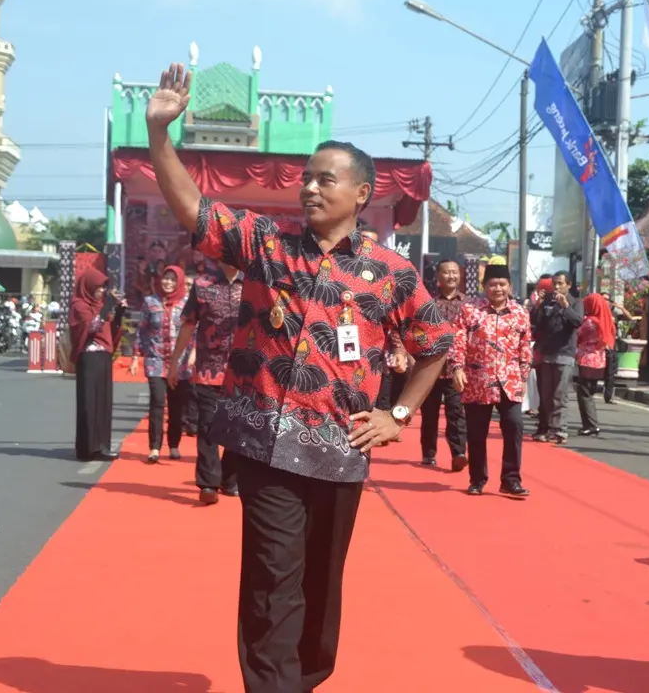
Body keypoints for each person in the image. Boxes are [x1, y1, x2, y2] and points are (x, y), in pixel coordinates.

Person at [146, 63, 453, 692]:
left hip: (342, 453)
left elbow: (436, 344)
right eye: (307, 179)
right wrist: (159, 135)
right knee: (270, 578)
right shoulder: (265, 243)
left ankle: (304, 677)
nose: (310, 189)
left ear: (362, 193)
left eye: (326, 180)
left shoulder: (391, 272)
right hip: (264, 446)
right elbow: (194, 210)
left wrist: (398, 416)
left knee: (320, 583)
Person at [452, 263, 532, 496]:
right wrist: (457, 368)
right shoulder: (469, 310)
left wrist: (524, 376)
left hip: (510, 380)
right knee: (476, 432)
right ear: (484, 286)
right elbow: (458, 341)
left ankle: (511, 479)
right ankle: (477, 479)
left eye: (502, 284)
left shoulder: (520, 312)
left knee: (515, 425)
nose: (498, 288)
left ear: (509, 286)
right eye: (493, 284)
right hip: (477, 380)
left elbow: (525, 346)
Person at [169, 260, 244, 505]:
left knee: (238, 429)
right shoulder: (202, 285)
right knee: (208, 427)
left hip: (243, 373)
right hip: (208, 370)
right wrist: (175, 362)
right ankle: (209, 483)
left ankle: (230, 479)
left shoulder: (254, 284)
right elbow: (189, 324)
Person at [131, 266, 195, 463]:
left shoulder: (187, 303)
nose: (168, 283)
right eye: (165, 278)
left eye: (172, 280)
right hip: (155, 361)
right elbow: (142, 330)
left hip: (180, 364)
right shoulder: (150, 303)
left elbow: (195, 331)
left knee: (176, 407)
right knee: (157, 403)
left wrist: (193, 355)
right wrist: (136, 355)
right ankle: (154, 448)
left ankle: (174, 445)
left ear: (180, 282)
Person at [69, 267, 127, 462]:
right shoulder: (79, 305)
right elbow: (91, 327)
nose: (102, 291)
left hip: (103, 357)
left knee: (103, 402)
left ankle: (102, 446)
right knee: (89, 403)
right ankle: (88, 448)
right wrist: (106, 307)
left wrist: (119, 312)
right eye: (99, 287)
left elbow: (110, 330)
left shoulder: (100, 305)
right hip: (89, 357)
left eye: (104, 288)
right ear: (89, 286)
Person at [419, 259, 468, 471]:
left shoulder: (469, 304)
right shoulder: (428, 302)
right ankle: (428, 453)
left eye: (454, 272)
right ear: (438, 277)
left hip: (457, 370)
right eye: (446, 272)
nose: (451, 276)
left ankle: (459, 453)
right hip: (431, 367)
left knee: (456, 412)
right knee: (429, 413)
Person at [531, 271, 584, 444]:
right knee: (545, 394)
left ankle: (560, 430)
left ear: (568, 285)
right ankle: (545, 428)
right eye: (555, 283)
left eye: (561, 283)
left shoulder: (576, 302)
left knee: (560, 395)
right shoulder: (547, 301)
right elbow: (535, 323)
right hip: (547, 353)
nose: (557, 286)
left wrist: (566, 306)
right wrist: (537, 306)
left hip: (565, 353)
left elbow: (577, 321)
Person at [574, 293, 614, 437]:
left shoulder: (589, 322)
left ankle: (590, 425)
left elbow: (577, 334)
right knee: (588, 392)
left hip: (587, 360)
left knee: (583, 393)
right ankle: (590, 424)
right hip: (599, 361)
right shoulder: (604, 321)